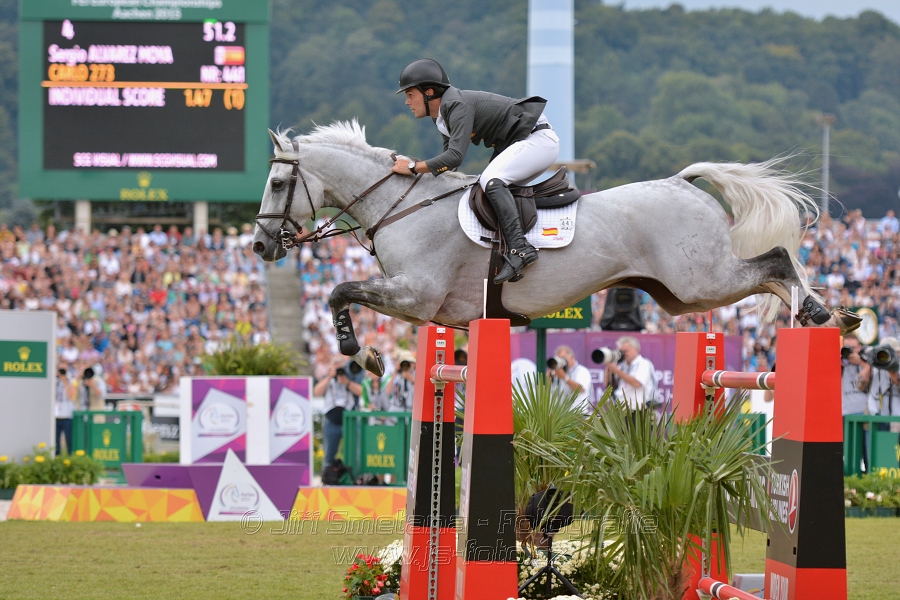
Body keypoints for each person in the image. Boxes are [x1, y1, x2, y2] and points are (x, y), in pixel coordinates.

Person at [393, 58, 560, 283]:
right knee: (482, 185)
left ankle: (520, 249)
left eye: (410, 95)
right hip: (523, 142)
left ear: (429, 92)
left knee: (491, 180)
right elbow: (450, 164)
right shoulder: (441, 117)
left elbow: (454, 156)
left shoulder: (455, 106)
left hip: (537, 139)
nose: (407, 102)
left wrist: (413, 167)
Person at [314, 359, 363, 469]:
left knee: (353, 453)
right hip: (331, 422)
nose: (339, 371)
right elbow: (316, 392)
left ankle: (353, 477)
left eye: (341, 368)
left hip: (349, 422)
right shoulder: (327, 380)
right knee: (329, 454)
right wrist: (329, 377)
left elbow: (361, 392)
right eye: (337, 368)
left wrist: (347, 382)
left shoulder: (351, 378)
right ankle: (328, 477)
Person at [604, 336, 657, 412]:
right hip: (622, 409)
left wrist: (616, 371)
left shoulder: (644, 364)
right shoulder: (622, 366)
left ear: (636, 349)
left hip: (639, 410)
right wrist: (609, 365)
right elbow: (607, 383)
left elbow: (637, 383)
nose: (623, 354)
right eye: (620, 351)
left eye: (625, 351)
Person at [549, 345, 594, 414]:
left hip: (578, 415)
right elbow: (545, 387)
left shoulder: (582, 371)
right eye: (558, 359)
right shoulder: (558, 372)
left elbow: (580, 389)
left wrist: (564, 377)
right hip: (560, 415)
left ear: (572, 357)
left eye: (563, 358)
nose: (561, 361)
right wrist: (551, 372)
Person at [841, 333, 871, 417]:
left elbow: (863, 384)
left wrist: (861, 362)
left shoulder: (867, 362)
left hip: (865, 412)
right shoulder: (840, 364)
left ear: (859, 347)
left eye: (854, 348)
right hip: (846, 412)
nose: (851, 351)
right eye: (847, 347)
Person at [55, 368, 76, 454]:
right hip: (56, 415)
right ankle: (56, 457)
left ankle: (70, 456)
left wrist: (65, 382)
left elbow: (71, 396)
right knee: (55, 440)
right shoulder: (55, 383)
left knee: (69, 439)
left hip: (67, 415)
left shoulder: (72, 382)